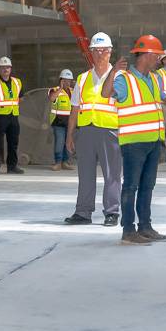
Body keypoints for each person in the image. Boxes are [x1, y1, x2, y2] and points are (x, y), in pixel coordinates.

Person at [101, 34, 166, 245]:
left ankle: (145, 227)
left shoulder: (156, 78)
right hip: (134, 143)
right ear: (146, 55)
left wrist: (162, 138)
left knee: (148, 186)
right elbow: (105, 93)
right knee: (130, 186)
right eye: (156, 55)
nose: (159, 59)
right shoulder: (125, 78)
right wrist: (113, 71)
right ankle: (128, 230)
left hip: (153, 141)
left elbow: (156, 108)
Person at [64, 32, 121, 226]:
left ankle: (112, 212)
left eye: (104, 50)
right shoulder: (82, 78)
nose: (100, 54)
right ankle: (83, 212)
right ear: (90, 53)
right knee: (85, 174)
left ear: (110, 52)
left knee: (112, 174)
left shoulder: (120, 77)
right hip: (86, 132)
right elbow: (75, 108)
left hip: (110, 131)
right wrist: (70, 135)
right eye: (96, 50)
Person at [48, 69, 75, 171]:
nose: (68, 82)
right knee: (59, 141)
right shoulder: (54, 90)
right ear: (61, 80)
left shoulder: (73, 91)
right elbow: (51, 98)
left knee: (67, 142)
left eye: (69, 80)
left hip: (69, 122)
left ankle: (65, 162)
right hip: (58, 122)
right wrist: (60, 88)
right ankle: (58, 162)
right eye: (66, 80)